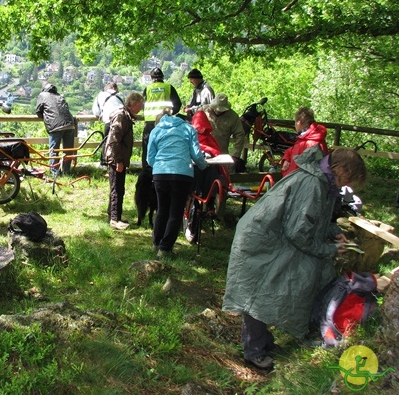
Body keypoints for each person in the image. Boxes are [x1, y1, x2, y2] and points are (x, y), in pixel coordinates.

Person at [222, 146, 367, 370]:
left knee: (265, 291)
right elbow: (297, 232)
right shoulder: (314, 184)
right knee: (258, 294)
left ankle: (263, 343)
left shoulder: (322, 181)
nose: (347, 184)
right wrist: (329, 249)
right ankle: (254, 352)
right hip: (263, 241)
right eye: (348, 178)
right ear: (340, 170)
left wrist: (330, 231)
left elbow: (310, 219)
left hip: (274, 239)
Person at [147, 109, 208, 258]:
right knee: (175, 212)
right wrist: (204, 166)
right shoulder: (188, 129)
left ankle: (156, 243)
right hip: (182, 175)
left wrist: (160, 167)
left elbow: (150, 158)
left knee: (162, 210)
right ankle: (165, 248)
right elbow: (196, 155)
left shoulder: (156, 130)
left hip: (160, 174)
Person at [105, 92, 145, 230]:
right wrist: (118, 161)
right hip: (117, 158)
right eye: (140, 105)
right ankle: (115, 219)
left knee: (117, 187)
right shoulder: (122, 116)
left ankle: (113, 215)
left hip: (118, 157)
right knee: (117, 188)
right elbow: (114, 139)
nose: (141, 108)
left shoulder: (125, 115)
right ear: (133, 104)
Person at [141, 68, 182, 168]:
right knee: (165, 146)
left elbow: (141, 105)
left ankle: (147, 171)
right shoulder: (168, 87)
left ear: (151, 78)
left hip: (150, 123)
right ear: (163, 77)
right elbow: (178, 104)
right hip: (165, 123)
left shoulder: (148, 89)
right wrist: (171, 114)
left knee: (147, 148)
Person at [36, 82, 76, 176]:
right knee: (68, 150)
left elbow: (38, 111)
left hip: (55, 126)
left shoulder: (42, 95)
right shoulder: (59, 96)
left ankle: (55, 173)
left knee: (54, 151)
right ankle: (66, 172)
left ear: (43, 89)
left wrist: (46, 117)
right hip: (70, 124)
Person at [281, 107, 328, 176]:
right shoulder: (309, 137)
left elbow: (297, 170)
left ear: (298, 123)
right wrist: (286, 159)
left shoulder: (308, 143)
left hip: (301, 183)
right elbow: (291, 150)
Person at [202, 93, 246, 168]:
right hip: (203, 152)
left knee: (222, 176)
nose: (218, 111)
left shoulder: (232, 117)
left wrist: (235, 155)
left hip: (221, 155)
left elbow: (240, 135)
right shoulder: (203, 111)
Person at [92, 82, 124, 165]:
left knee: (106, 141)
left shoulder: (100, 95)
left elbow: (96, 111)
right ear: (114, 88)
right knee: (120, 142)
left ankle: (105, 162)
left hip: (109, 120)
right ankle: (119, 162)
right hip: (122, 121)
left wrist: (101, 115)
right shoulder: (121, 96)